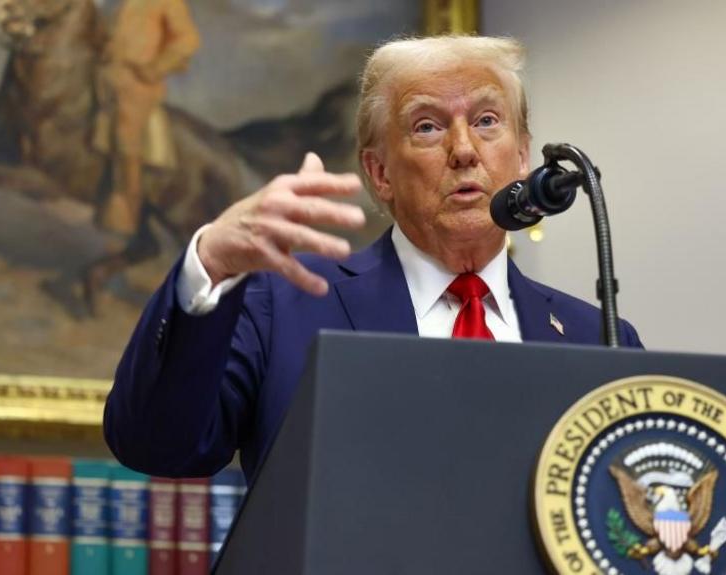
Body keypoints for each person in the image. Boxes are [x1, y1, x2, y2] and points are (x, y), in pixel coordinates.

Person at [104, 35, 642, 484]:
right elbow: (158, 446)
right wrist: (211, 262)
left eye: (485, 120)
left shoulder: (597, 338)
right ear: (379, 173)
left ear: (523, 156)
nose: (464, 149)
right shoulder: (284, 306)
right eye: (427, 126)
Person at [96, 0, 201, 236]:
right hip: (108, 83)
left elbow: (188, 40)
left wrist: (155, 68)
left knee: (127, 144)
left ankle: (125, 219)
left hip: (138, 87)